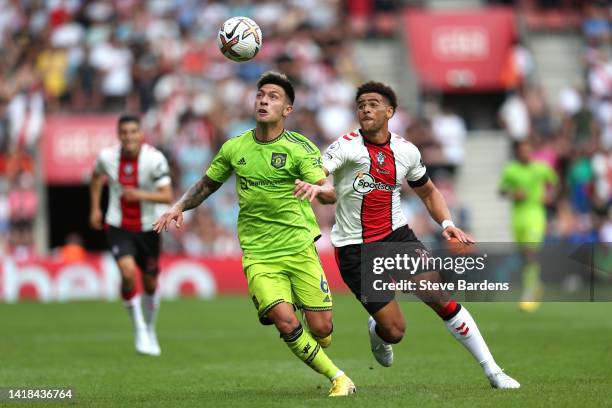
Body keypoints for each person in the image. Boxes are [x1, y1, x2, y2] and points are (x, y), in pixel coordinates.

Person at [153, 72, 355, 397]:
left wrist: (317, 190)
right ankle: (338, 378)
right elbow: (208, 184)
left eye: (273, 97)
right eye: (261, 94)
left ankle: (318, 333)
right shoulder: (235, 147)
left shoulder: (299, 148)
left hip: (299, 248)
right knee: (286, 322)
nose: (263, 100)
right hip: (259, 254)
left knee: (322, 328)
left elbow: (330, 192)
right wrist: (179, 206)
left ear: (287, 109)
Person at [318, 81, 520, 389]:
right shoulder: (345, 145)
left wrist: (447, 223)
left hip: (397, 237)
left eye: (373, 103)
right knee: (395, 331)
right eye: (361, 105)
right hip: (355, 249)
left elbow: (428, 191)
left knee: (438, 297)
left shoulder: (406, 150)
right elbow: (321, 172)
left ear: (390, 111)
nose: (366, 109)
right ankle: (377, 331)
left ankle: (493, 371)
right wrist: (319, 187)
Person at [90, 114, 173, 356]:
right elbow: (96, 177)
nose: (128, 136)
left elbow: (167, 195)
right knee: (127, 274)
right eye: (124, 132)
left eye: (133, 131)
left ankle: (150, 328)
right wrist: (95, 207)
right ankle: (138, 327)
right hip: (118, 225)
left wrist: (139, 195)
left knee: (150, 282)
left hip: (149, 227)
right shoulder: (107, 157)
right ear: (119, 135)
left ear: (141, 134)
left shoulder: (154, 159)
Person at [499, 140, 558, 312]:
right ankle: (536, 284)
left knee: (530, 252)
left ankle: (529, 293)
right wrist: (513, 193)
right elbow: (502, 190)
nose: (526, 153)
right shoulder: (511, 170)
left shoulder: (541, 168)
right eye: (522, 150)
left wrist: (550, 195)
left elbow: (555, 181)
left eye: (528, 150)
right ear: (517, 152)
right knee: (524, 255)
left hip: (535, 215)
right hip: (517, 217)